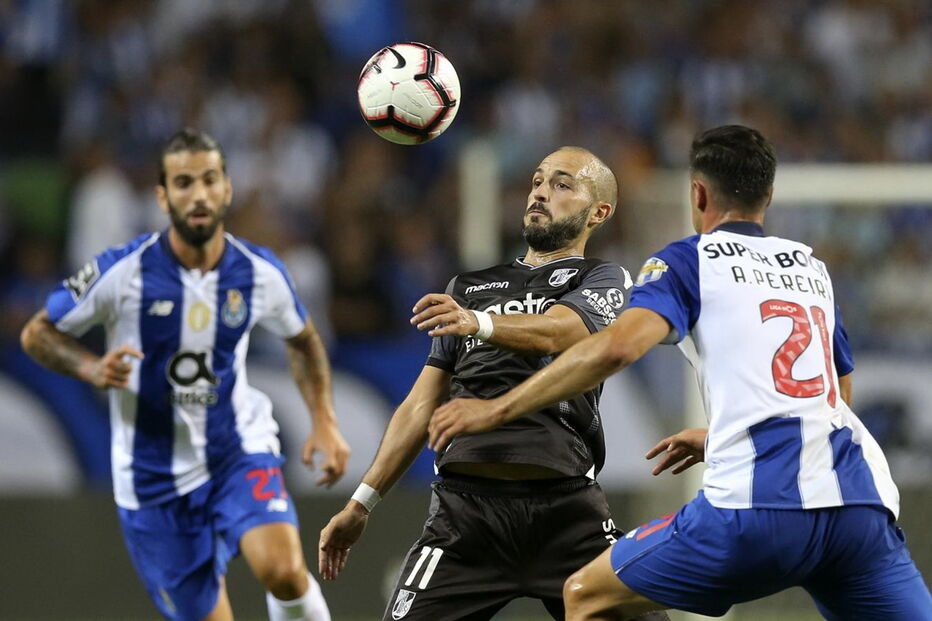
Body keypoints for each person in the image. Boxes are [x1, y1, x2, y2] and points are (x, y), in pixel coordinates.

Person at [427, 125, 932, 620]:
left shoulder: (689, 260)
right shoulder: (810, 269)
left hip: (757, 511)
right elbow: (834, 397)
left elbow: (617, 348)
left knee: (585, 594)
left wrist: (496, 408)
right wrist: (722, 437)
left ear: (697, 192)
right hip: (859, 506)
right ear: (769, 195)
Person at [319, 146, 668, 621]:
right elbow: (421, 402)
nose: (541, 193)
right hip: (464, 518)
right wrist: (363, 502)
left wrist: (478, 324)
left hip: (566, 512)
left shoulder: (604, 277)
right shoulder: (468, 286)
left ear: (599, 212)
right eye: (538, 180)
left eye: (563, 185)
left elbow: (562, 330)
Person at [20, 128, 350, 621]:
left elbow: (303, 340)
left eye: (209, 180)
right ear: (162, 195)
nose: (198, 194)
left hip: (236, 451)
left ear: (227, 189)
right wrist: (90, 367)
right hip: (152, 479)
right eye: (183, 182)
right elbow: (38, 333)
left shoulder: (259, 272)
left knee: (283, 569)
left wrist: (324, 419)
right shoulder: (122, 271)